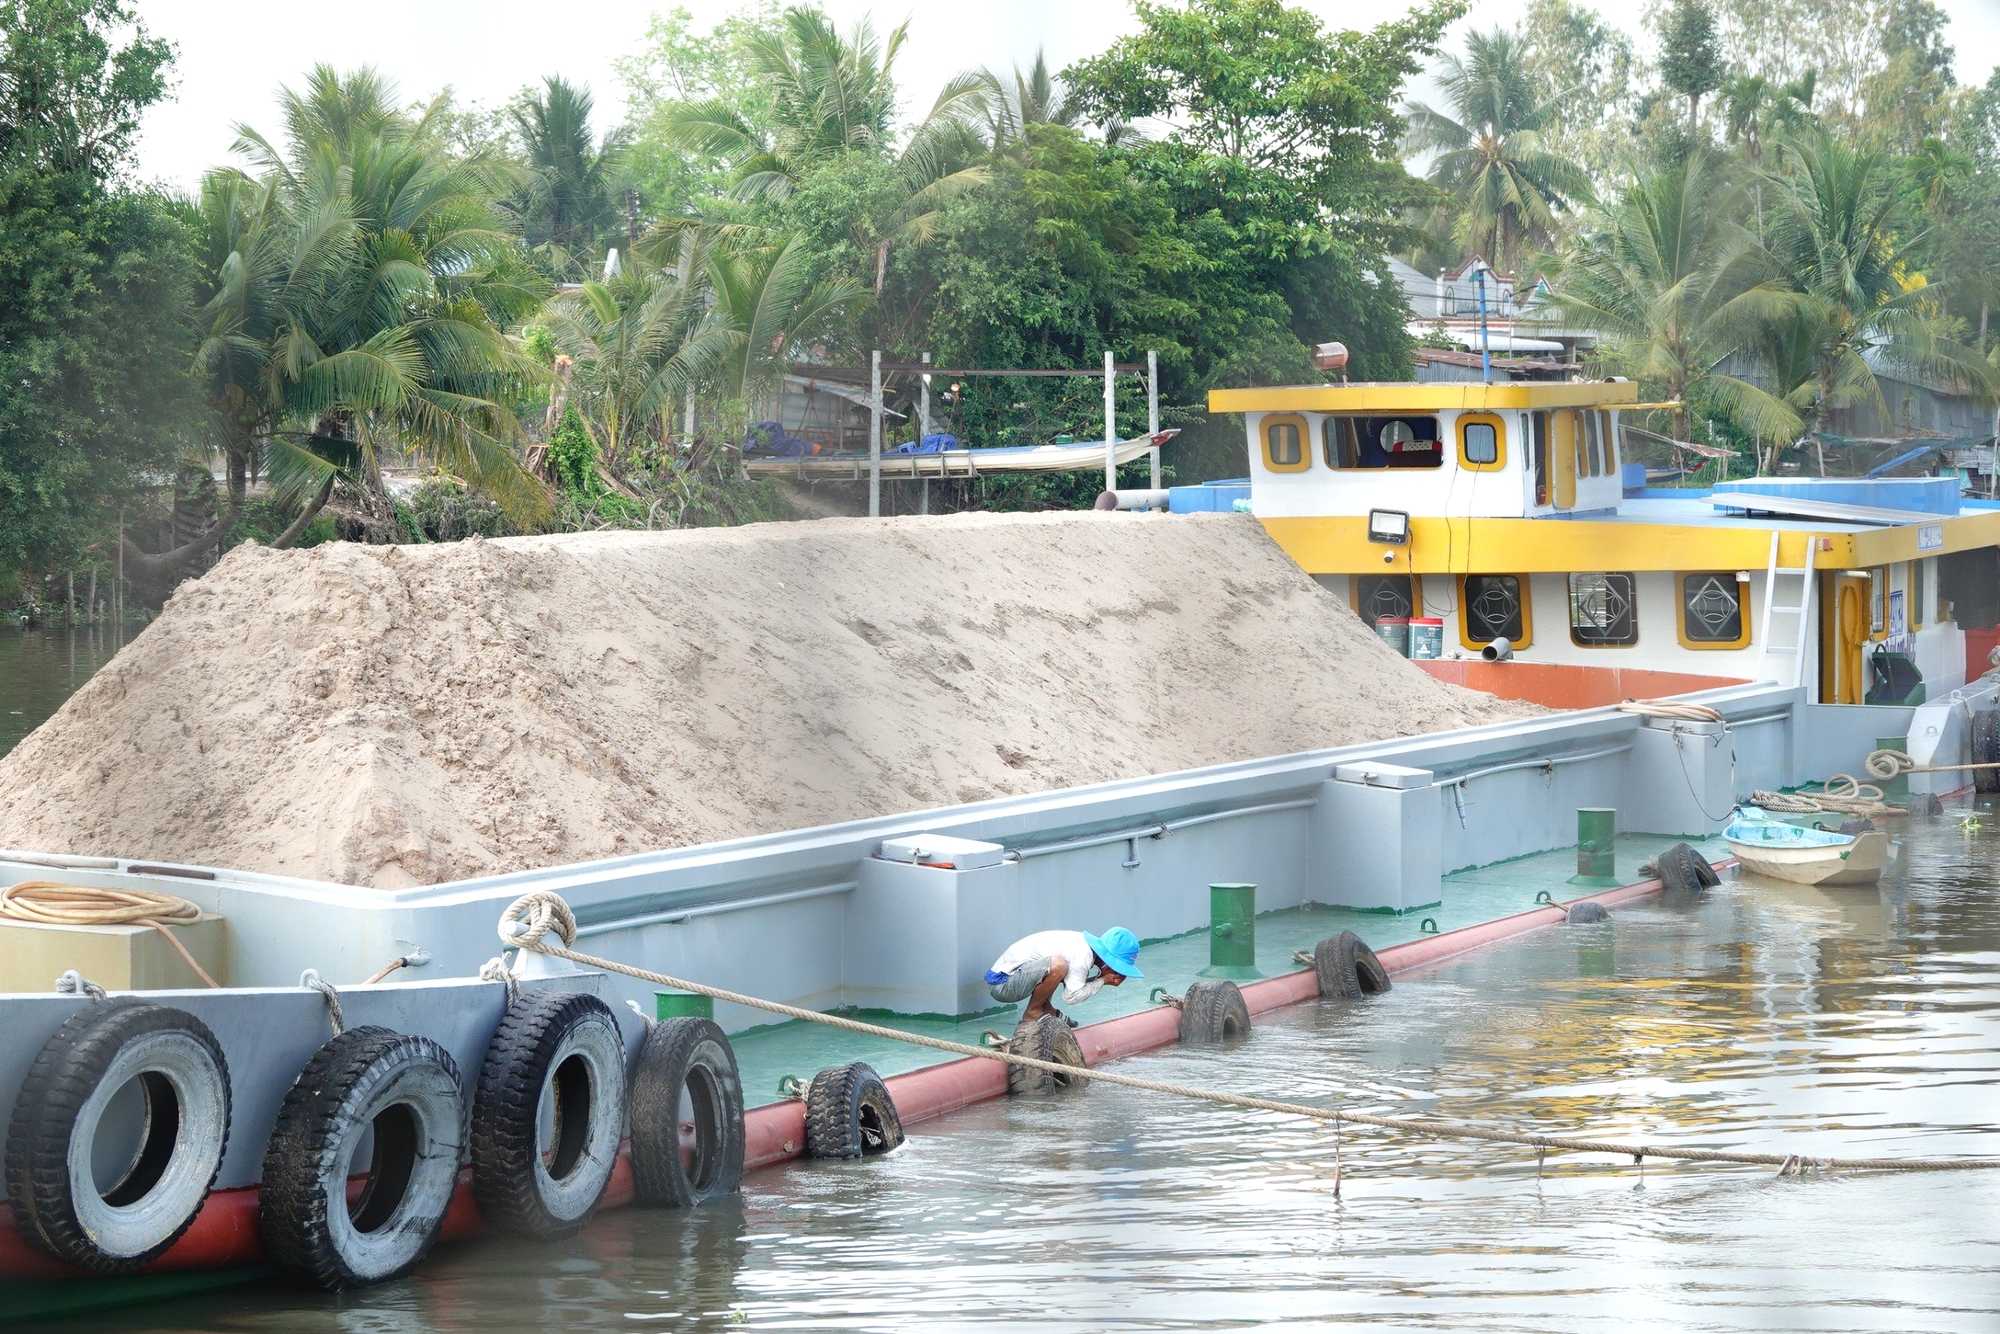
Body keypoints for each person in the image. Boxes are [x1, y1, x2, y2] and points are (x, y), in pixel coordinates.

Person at [984, 927, 1144, 1023]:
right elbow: (1072, 996)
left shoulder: (1083, 946)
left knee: (1060, 967)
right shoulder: (1082, 955)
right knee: (1058, 965)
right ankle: (1033, 1012)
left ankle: (1045, 1007)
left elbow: (1074, 983)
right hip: (1003, 984)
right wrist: (1102, 981)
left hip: (1014, 977)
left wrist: (1100, 979)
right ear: (1108, 961)